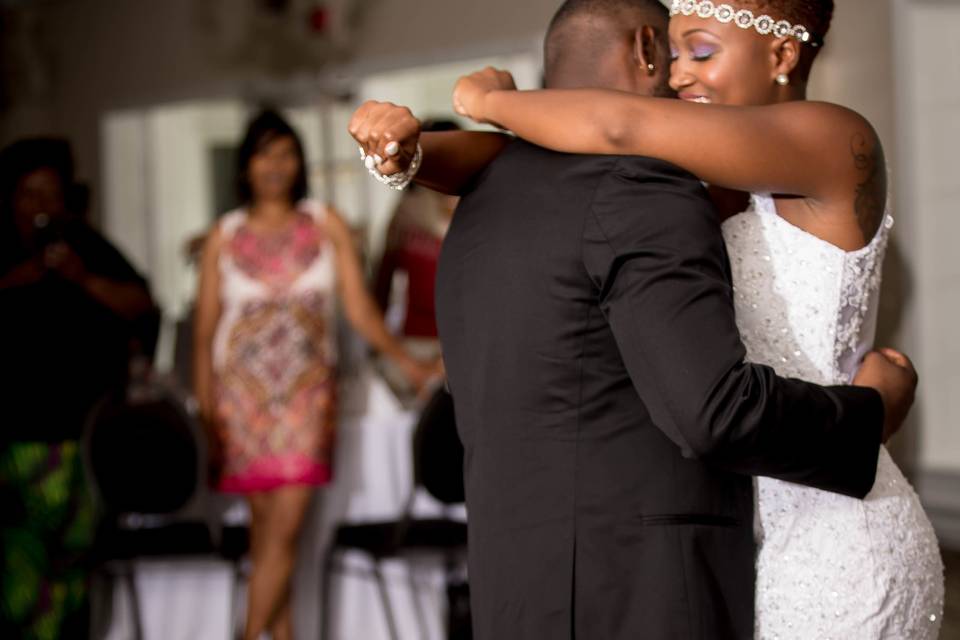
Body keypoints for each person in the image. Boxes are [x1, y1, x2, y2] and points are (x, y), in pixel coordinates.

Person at [349, 1, 930, 638]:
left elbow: (617, 126)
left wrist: (489, 100)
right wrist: (414, 152)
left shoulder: (827, 136)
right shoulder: (702, 173)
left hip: (829, 515)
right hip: (745, 532)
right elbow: (543, 159)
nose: (680, 76)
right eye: (674, 56)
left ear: (784, 55)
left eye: (701, 52)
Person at [192, 110, 438, 640]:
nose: (276, 165)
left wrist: (408, 362)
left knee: (283, 533)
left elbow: (361, 310)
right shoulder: (223, 236)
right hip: (243, 403)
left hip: (307, 398)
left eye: (285, 152)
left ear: (299, 161)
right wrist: (206, 406)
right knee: (268, 539)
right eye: (264, 153)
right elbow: (204, 330)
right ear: (245, 166)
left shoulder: (323, 224)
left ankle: (243, 633)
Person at [0, 138, 155, 640]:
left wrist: (80, 278)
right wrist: (28, 277)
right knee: (20, 582)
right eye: (29, 194)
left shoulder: (87, 247)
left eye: (51, 193)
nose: (41, 205)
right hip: (14, 449)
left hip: (80, 444)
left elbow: (142, 304)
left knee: (76, 579)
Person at [374, 119, 460, 399]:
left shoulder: (478, 205)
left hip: (468, 344)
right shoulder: (408, 213)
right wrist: (387, 351)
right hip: (415, 348)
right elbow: (381, 284)